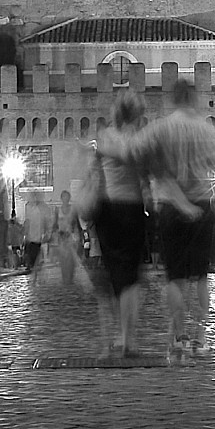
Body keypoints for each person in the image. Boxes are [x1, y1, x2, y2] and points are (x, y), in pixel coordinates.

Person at [142, 80, 215, 361]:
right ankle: (200, 338)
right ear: (193, 97)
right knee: (201, 277)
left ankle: (179, 337)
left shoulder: (161, 128)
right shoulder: (207, 130)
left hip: (170, 207)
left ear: (173, 98)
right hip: (202, 206)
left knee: (175, 278)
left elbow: (143, 159)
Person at [88, 95, 153, 358]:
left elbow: (96, 172)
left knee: (116, 276)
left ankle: (119, 335)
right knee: (131, 276)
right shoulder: (138, 140)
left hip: (108, 210)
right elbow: (145, 169)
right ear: (137, 116)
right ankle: (128, 337)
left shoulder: (105, 137)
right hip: (131, 209)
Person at [50, 188, 84, 291]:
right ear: (61, 199)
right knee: (63, 258)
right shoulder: (57, 210)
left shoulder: (73, 210)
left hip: (71, 236)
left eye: (67, 197)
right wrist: (52, 234)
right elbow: (55, 224)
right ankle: (65, 277)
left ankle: (70, 277)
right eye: (64, 197)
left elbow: (77, 223)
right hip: (61, 236)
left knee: (71, 257)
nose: (66, 199)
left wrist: (80, 235)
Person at [21, 192, 52, 273]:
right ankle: (30, 265)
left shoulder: (44, 207)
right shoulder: (28, 206)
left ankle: (34, 265)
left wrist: (47, 233)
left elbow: (46, 221)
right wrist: (25, 232)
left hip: (38, 236)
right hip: (30, 235)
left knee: (35, 252)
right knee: (29, 251)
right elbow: (27, 220)